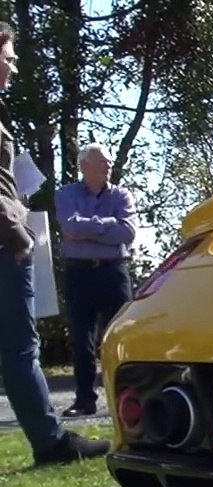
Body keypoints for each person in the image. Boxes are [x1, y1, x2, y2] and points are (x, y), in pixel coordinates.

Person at [0, 21, 109, 464]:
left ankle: (51, 439)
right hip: (4, 246)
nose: (11, 65)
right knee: (21, 348)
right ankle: (51, 443)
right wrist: (15, 236)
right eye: (6, 58)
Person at [54, 142, 137, 416]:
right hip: (79, 272)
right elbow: (69, 226)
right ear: (85, 166)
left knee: (121, 336)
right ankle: (84, 400)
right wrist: (107, 224)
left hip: (114, 271)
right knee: (82, 339)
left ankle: (127, 399)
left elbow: (127, 233)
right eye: (102, 162)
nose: (108, 166)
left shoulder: (122, 196)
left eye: (109, 162)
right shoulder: (66, 194)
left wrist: (88, 228)